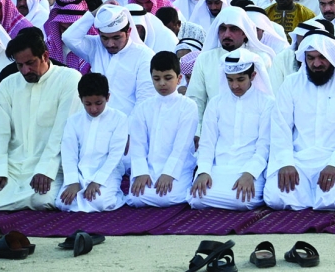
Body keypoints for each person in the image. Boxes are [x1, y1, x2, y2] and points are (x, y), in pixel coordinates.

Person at [0, 30, 83, 212]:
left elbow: (62, 132)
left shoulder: (69, 79)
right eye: (19, 65)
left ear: (45, 56)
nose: (25, 70)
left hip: (53, 166)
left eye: (30, 63)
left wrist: (46, 169)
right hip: (14, 167)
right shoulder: (8, 84)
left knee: (44, 200)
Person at [266, 33, 335, 211]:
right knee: (275, 197)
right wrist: (285, 162)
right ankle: (310, 193)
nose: (316, 64)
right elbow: (280, 126)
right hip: (299, 159)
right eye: (311, 58)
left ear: (333, 56)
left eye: (322, 57)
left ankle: (312, 194)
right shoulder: (292, 83)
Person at [189, 50, 274, 210]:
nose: (235, 85)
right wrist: (203, 171)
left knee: (241, 201)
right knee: (196, 199)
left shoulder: (267, 103)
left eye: (240, 79)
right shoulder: (216, 103)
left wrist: (250, 173)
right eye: (230, 80)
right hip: (217, 169)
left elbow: (264, 146)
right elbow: (207, 143)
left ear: (253, 76)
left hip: (248, 168)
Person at [127, 51, 199, 208]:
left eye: (168, 78)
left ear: (179, 78)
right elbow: (138, 144)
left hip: (178, 167)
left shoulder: (188, 106)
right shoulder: (143, 107)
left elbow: (182, 145)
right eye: (156, 78)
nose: (162, 83)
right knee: (136, 198)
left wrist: (169, 173)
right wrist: (141, 172)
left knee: (169, 197)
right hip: (150, 167)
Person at [56, 72, 130, 212]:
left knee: (100, 202)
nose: (93, 109)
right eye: (88, 104)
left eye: (98, 103)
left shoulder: (119, 118)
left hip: (108, 171)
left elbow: (115, 155)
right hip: (80, 171)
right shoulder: (73, 121)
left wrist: (97, 181)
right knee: (63, 203)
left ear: (107, 97)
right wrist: (72, 181)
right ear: (80, 99)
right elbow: (68, 153)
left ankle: (117, 194)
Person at [61, 4, 155, 113]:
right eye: (104, 38)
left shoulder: (145, 56)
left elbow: (145, 100)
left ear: (128, 32)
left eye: (116, 37)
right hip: (95, 121)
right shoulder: (96, 46)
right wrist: (98, 11)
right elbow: (68, 37)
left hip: (127, 125)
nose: (110, 44)